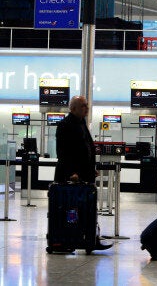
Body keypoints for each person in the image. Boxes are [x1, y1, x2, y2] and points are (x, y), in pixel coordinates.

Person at [54, 95, 112, 250]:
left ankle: (90, 239)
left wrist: (90, 168)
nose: (86, 108)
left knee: (88, 208)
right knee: (71, 209)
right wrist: (71, 172)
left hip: (84, 175)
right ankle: (65, 239)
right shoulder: (65, 125)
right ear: (73, 109)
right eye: (83, 106)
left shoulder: (81, 123)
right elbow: (63, 153)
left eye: (87, 105)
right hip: (72, 177)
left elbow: (86, 148)